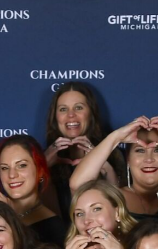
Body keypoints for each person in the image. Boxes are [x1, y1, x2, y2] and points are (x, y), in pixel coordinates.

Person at [70, 114, 158, 246]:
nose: (149, 159)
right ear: (128, 160)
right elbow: (78, 186)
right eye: (140, 150)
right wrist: (115, 138)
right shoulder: (113, 198)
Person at [0, 134, 66, 247]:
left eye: (21, 165)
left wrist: (8, 218)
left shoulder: (55, 229)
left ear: (40, 170)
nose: (12, 175)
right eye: (5, 168)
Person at [43, 82, 121, 217]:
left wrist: (101, 162)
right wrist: (42, 165)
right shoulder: (42, 157)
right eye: (63, 109)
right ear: (55, 117)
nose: (71, 115)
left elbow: (120, 205)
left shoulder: (113, 155)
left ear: (91, 114)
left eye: (78, 107)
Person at [63, 180, 136, 249]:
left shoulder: (141, 242)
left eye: (96, 209)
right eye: (79, 214)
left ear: (117, 212)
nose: (86, 220)